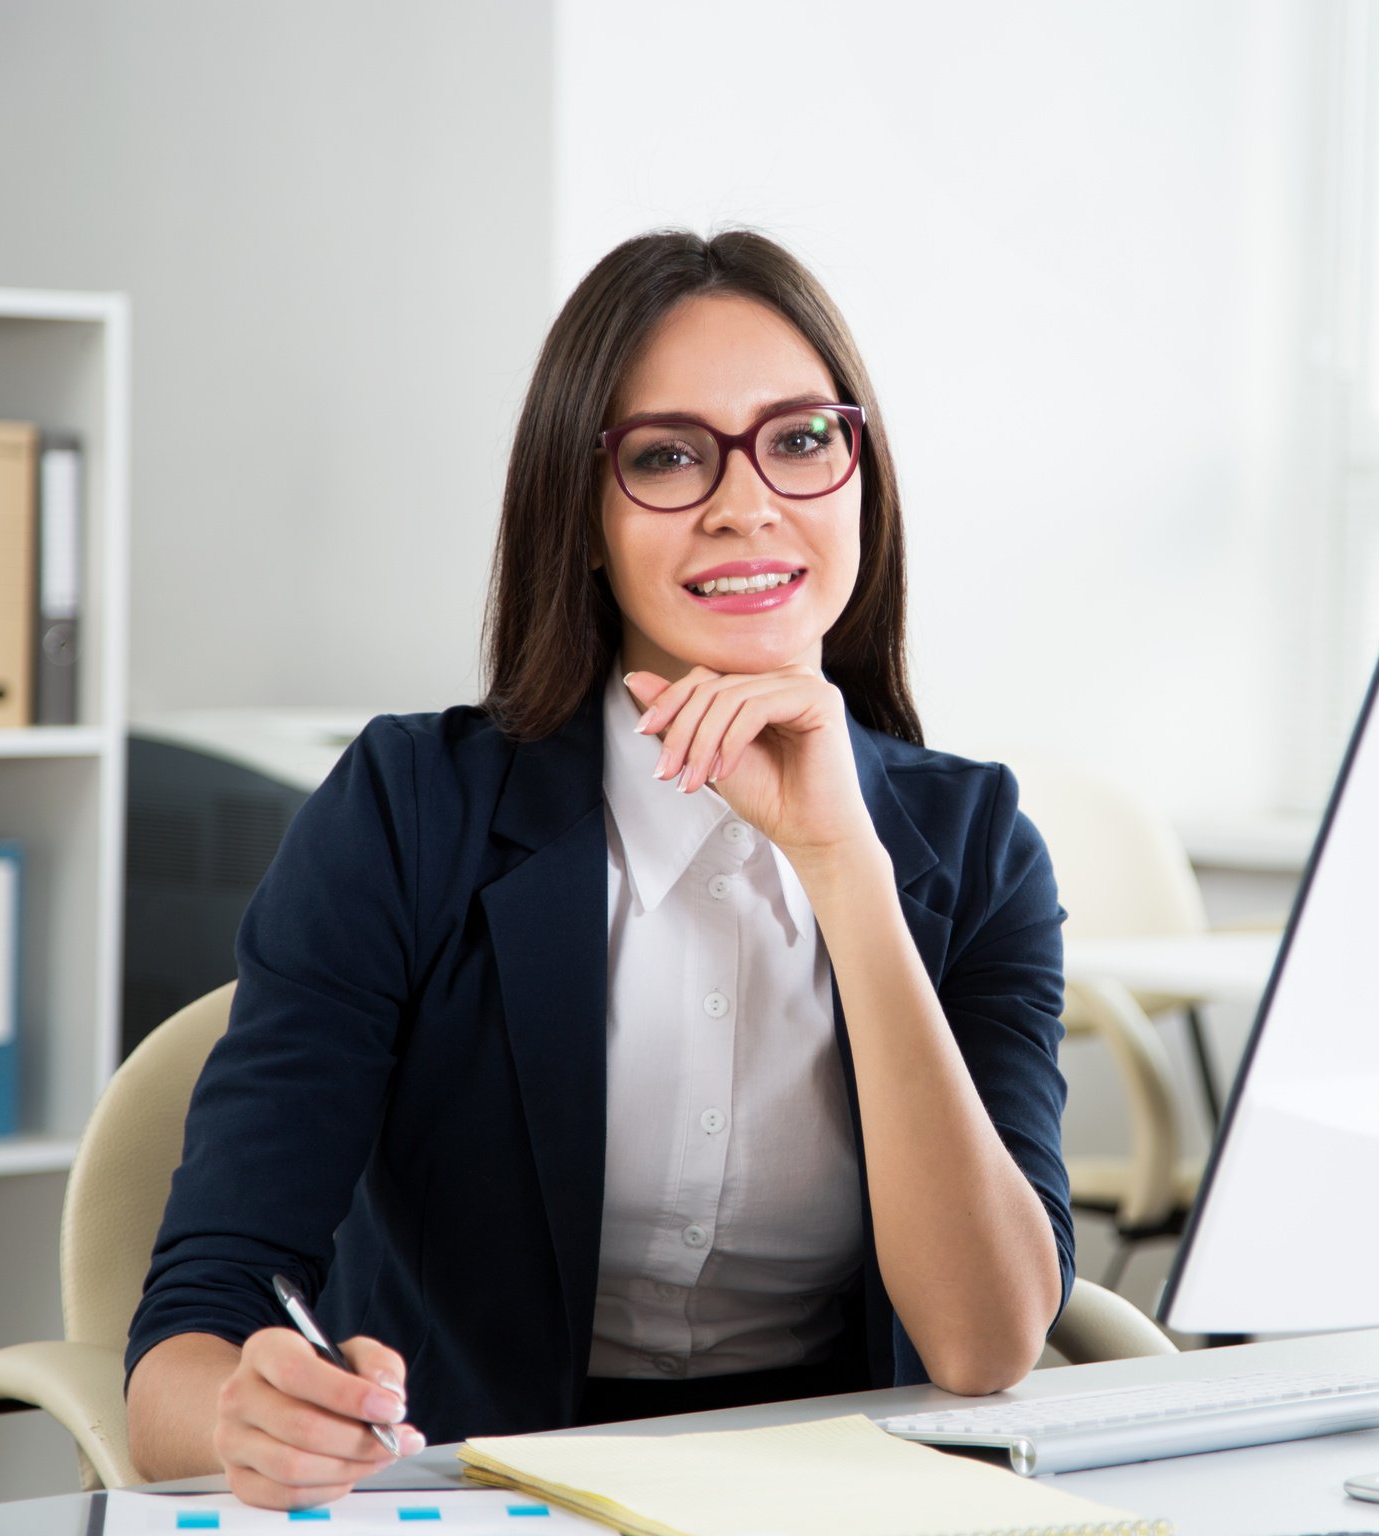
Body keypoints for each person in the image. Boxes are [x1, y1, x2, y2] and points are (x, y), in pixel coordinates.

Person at [123, 229, 1074, 1507]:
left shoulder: (978, 845)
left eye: (801, 440)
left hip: (839, 1498)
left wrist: (844, 864)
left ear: (863, 481)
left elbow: (984, 1341)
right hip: (474, 1492)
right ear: (582, 520)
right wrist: (249, 1420)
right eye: (669, 457)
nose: (749, 502)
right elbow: (187, 1339)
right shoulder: (408, 813)